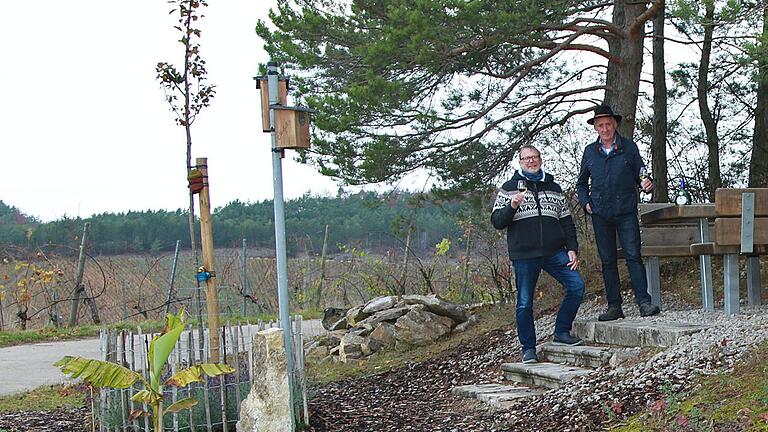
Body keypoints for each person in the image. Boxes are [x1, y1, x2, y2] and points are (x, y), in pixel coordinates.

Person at [492, 144, 585, 364]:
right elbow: (497, 221)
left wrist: (572, 248)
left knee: (577, 285)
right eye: (526, 158)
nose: (531, 161)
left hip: (555, 252)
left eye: (534, 157)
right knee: (524, 303)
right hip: (524, 255)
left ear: (540, 160)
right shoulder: (509, 188)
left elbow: (567, 221)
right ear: (520, 162)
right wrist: (512, 206)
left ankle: (562, 332)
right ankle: (528, 348)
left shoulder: (554, 187)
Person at [576, 104, 661, 321]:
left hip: (625, 211)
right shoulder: (589, 152)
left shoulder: (629, 148)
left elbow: (641, 174)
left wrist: (646, 183)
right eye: (600, 125)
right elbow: (581, 184)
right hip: (600, 214)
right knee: (607, 260)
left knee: (633, 256)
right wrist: (586, 203)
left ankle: (644, 302)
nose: (605, 129)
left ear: (615, 125)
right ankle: (614, 306)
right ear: (595, 127)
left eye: (608, 124)